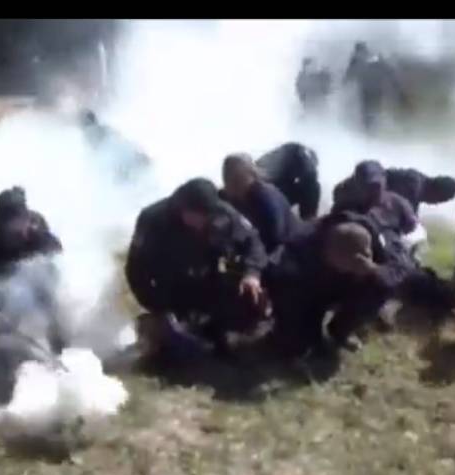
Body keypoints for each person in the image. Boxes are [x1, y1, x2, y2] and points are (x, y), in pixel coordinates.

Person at [126, 178, 270, 359]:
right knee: (174, 350)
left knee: (247, 302)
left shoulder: (222, 212)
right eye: (197, 215)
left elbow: (252, 242)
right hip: (169, 291)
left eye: (207, 215)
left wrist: (252, 274)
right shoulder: (153, 220)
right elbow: (135, 271)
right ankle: (157, 333)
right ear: (182, 209)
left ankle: (215, 330)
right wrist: (157, 307)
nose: (203, 221)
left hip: (207, 280)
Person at [264, 209, 433, 358]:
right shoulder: (304, 238)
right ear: (326, 250)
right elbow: (277, 273)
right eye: (343, 263)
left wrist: (374, 270)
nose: (347, 269)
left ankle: (341, 330)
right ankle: (303, 333)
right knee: (294, 346)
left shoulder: (384, 238)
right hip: (310, 286)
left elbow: (402, 271)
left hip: (351, 287)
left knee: (379, 286)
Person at [0, 187, 63, 296]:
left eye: (19, 229)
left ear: (27, 220)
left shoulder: (45, 243)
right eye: (9, 230)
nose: (16, 235)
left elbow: (60, 284)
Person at [220, 153, 303, 255]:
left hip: (288, 251)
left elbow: (276, 238)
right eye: (229, 178)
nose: (234, 183)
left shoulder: (265, 197)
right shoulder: (229, 197)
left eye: (238, 178)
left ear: (251, 174)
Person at [333, 160, 418, 236]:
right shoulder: (346, 204)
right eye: (367, 186)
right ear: (357, 184)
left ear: (384, 180)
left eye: (376, 186)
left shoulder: (398, 203)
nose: (373, 191)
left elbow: (412, 227)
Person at [343, 41, 406, 131]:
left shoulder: (357, 59)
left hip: (369, 88)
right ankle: (370, 128)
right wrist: (394, 81)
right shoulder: (371, 57)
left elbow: (350, 73)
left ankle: (370, 128)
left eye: (358, 50)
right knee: (371, 109)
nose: (359, 53)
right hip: (374, 87)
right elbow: (387, 68)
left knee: (369, 110)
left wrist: (345, 82)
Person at [255, 142, 322, 220]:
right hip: (262, 195)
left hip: (266, 190)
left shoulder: (289, 154)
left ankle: (309, 218)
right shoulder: (295, 157)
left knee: (310, 184)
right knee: (311, 185)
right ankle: (309, 219)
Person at [385, 167, 455, 215]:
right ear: (436, 194)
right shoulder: (413, 188)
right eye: (439, 201)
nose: (435, 204)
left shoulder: (419, 181)